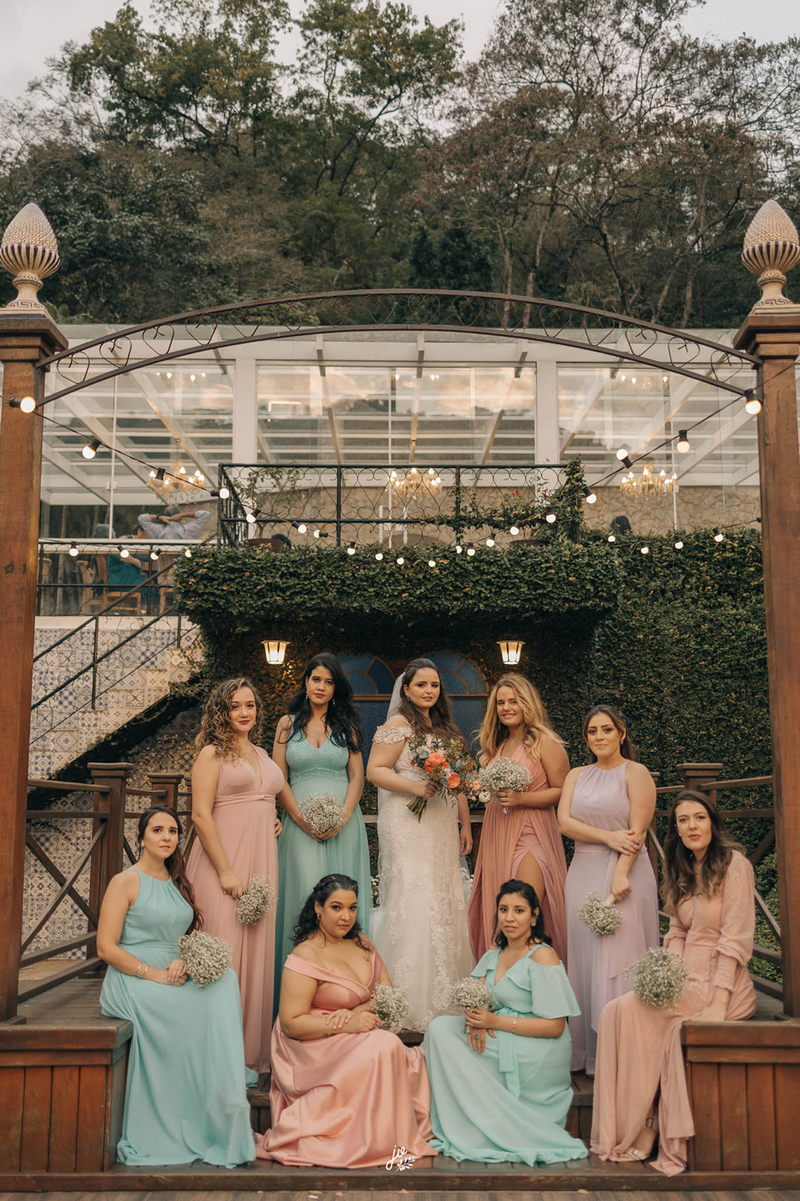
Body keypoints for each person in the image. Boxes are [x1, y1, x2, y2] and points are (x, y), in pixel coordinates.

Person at [592, 790, 756, 1175]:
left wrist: (718, 1001)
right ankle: (632, 1121)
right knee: (616, 1011)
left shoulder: (734, 865)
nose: (692, 826)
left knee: (643, 1017)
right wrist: (666, 971)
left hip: (721, 982)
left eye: (699, 818)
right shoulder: (682, 867)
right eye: (683, 820)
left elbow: (735, 939)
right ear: (676, 830)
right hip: (684, 975)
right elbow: (679, 930)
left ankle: (649, 1125)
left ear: (712, 823)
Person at [97, 807, 254, 1167]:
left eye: (172, 831)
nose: (166, 837)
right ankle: (177, 1112)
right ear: (142, 838)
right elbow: (106, 948)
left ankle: (223, 1090)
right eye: (157, 830)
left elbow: (177, 937)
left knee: (224, 981)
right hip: (132, 977)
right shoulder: (125, 882)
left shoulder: (177, 881)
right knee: (189, 1007)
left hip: (173, 971)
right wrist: (151, 974)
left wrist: (185, 958)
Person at [256, 874, 436, 1168]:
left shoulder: (363, 944)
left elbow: (387, 994)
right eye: (336, 907)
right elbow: (291, 1023)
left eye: (352, 908)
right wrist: (343, 1024)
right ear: (318, 908)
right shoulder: (306, 954)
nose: (346, 917)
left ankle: (380, 1137)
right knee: (385, 1046)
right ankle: (365, 1140)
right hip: (310, 1043)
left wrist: (355, 1014)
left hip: (358, 1030)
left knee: (391, 1047)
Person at [424, 879, 588, 1165]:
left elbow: (554, 1027)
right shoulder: (493, 955)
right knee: (440, 1029)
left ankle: (494, 1121)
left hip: (536, 1046)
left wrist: (494, 1021)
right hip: (497, 1029)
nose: (509, 918)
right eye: (503, 910)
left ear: (534, 916)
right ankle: (463, 1115)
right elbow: (474, 997)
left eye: (519, 911)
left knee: (456, 1042)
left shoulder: (542, 956)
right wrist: (475, 1021)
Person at [367, 657, 475, 1031]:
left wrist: (465, 823)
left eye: (434, 685)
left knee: (444, 895)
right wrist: (415, 786)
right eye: (421, 685)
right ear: (407, 689)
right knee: (415, 895)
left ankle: (446, 993)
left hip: (441, 821)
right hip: (408, 821)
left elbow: (456, 779)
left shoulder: (444, 729)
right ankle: (408, 998)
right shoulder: (398, 725)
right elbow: (375, 771)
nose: (429, 691)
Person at [186, 677, 283, 1075]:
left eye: (250, 705)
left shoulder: (261, 752)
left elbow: (264, 797)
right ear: (221, 712)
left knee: (256, 951)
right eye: (235, 706)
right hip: (223, 861)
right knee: (223, 949)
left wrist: (272, 818)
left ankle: (247, 1054)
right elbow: (200, 815)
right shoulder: (212, 754)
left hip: (262, 861)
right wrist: (226, 871)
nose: (244, 712)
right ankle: (211, 1055)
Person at [558, 705, 658, 1074]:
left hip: (627, 871)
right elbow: (564, 822)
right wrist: (607, 837)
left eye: (606, 730)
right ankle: (590, 1054)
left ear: (621, 733)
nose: (599, 737)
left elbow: (638, 830)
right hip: (583, 870)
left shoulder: (636, 772)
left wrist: (620, 873)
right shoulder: (576, 775)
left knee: (620, 957)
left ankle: (626, 1054)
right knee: (587, 958)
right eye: (592, 731)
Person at [273, 652, 371, 985]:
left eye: (329, 682)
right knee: (304, 895)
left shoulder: (347, 725)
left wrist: (343, 817)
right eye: (316, 679)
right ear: (306, 681)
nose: (321, 687)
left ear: (335, 688)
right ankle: (300, 984)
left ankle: (343, 985)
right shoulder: (287, 724)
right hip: (298, 824)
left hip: (344, 825)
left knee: (341, 904)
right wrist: (300, 819)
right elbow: (278, 778)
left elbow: (357, 777)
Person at [468, 674, 569, 962]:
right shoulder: (497, 744)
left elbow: (562, 791)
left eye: (513, 701)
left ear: (527, 703)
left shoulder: (545, 742)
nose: (506, 708)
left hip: (531, 832)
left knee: (525, 909)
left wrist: (521, 798)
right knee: (503, 913)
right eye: (500, 703)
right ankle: (505, 978)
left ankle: (539, 976)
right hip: (498, 831)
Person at [138, 506, 210, 541]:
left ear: (165, 516)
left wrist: (159, 517)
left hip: (163, 561)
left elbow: (142, 518)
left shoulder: (158, 530)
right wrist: (183, 514)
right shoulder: (189, 530)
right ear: (180, 518)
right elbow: (205, 514)